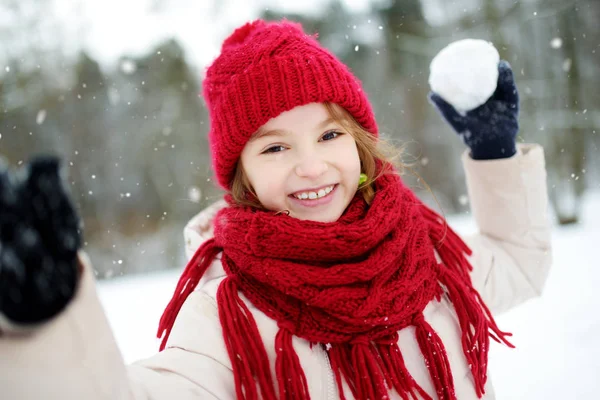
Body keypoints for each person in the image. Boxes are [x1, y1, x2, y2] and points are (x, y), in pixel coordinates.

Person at [0, 19, 552, 400]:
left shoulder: (421, 251)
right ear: (242, 175)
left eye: (330, 134)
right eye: (275, 147)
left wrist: (495, 154)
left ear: (358, 141)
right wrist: (45, 320)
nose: (311, 167)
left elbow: (518, 262)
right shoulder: (230, 309)